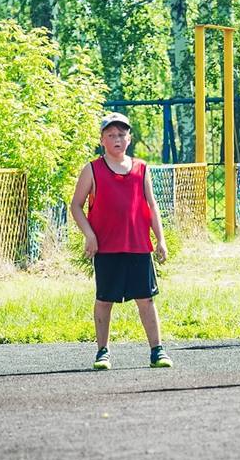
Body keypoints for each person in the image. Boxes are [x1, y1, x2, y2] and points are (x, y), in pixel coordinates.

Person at [69, 112, 172, 370]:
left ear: (130, 138)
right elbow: (76, 206)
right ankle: (102, 351)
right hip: (107, 247)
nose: (117, 139)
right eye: (111, 135)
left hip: (138, 245)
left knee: (146, 299)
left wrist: (160, 239)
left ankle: (157, 350)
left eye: (122, 134)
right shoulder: (92, 169)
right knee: (105, 299)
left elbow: (151, 205)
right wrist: (89, 235)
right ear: (102, 140)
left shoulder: (140, 168)